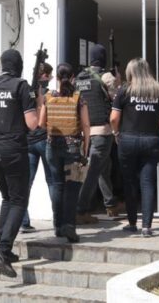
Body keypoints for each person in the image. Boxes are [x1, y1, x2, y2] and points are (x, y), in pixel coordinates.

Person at [0, 49, 42, 278]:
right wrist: (39, 102)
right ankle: (2, 251)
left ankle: (4, 246)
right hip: (13, 150)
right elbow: (32, 124)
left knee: (7, 198)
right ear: (19, 66)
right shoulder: (21, 87)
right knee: (19, 200)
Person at [110, 58, 159, 237]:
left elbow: (113, 118)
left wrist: (116, 133)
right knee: (148, 182)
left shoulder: (124, 90)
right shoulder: (157, 91)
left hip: (128, 140)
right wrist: (157, 125)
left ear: (130, 72)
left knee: (129, 182)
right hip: (151, 140)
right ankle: (147, 227)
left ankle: (131, 224)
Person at [42, 63, 91, 243]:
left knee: (57, 185)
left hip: (52, 146)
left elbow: (41, 123)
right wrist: (86, 146)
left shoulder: (48, 97)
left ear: (56, 78)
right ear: (73, 78)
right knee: (72, 187)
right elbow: (86, 125)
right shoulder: (79, 97)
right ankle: (69, 225)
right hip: (73, 147)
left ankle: (58, 226)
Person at [75, 44, 120, 224]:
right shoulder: (106, 77)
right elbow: (117, 98)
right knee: (94, 171)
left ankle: (110, 204)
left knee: (103, 168)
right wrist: (118, 80)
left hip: (85, 133)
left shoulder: (79, 77)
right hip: (102, 131)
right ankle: (80, 210)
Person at [21, 62, 53, 233]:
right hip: (44, 139)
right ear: (45, 75)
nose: (51, 78)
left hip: (28, 141)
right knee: (52, 181)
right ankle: (59, 221)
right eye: (50, 75)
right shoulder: (46, 94)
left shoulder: (26, 91)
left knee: (26, 183)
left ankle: (23, 221)